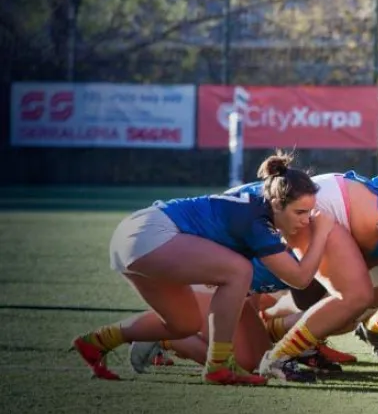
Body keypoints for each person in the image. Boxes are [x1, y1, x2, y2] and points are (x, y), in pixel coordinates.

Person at [72, 153, 334, 385]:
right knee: (239, 271)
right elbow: (300, 279)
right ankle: (218, 366)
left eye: (309, 213)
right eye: (300, 212)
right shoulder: (258, 222)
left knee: (183, 324)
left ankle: (96, 342)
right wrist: (322, 234)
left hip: (134, 237)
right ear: (278, 205)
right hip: (149, 235)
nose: (307, 220)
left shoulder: (263, 203)